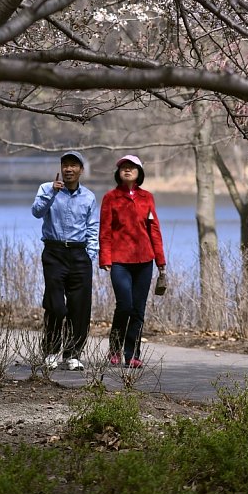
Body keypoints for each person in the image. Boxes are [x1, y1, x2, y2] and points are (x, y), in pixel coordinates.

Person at [31, 150, 99, 371]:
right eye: (65, 165)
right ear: (61, 168)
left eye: (73, 165)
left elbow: (92, 227)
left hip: (79, 255)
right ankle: (51, 351)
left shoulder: (88, 196)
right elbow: (37, 212)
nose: (69, 169)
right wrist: (51, 192)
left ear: (81, 170)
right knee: (56, 305)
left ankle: (73, 354)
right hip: (54, 252)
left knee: (79, 307)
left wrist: (91, 254)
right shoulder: (47, 189)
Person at [99, 155, 166, 369]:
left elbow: (154, 230)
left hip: (144, 261)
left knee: (138, 309)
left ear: (139, 172)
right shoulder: (111, 198)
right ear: (118, 173)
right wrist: (105, 258)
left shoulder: (147, 198)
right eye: (123, 168)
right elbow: (105, 231)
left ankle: (133, 354)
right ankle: (115, 348)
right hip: (119, 261)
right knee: (125, 306)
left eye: (132, 168)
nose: (127, 171)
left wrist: (160, 261)